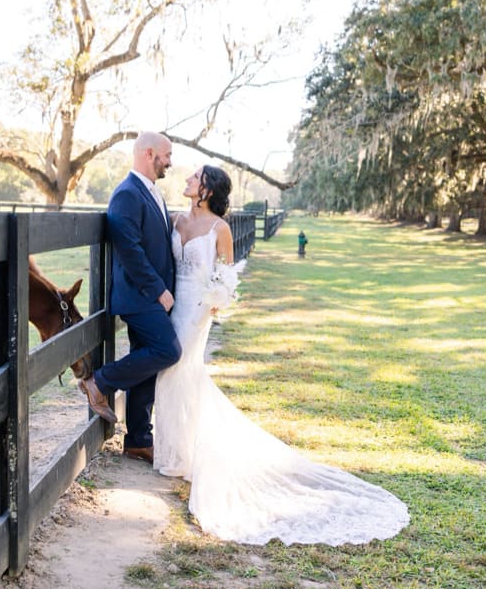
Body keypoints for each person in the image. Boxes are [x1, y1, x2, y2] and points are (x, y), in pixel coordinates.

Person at [153, 165, 409, 544]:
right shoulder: (175, 219)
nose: (188, 179)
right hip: (175, 304)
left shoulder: (220, 229)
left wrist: (215, 303)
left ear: (207, 190)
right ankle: (175, 453)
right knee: (176, 374)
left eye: (195, 177)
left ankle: (184, 453)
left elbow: (224, 275)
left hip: (198, 310)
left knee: (180, 369)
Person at [79, 131, 181, 464]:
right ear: (148, 153)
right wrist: (159, 290)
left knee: (146, 364)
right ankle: (99, 382)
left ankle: (138, 439)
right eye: (166, 155)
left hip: (151, 296)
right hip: (138, 296)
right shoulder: (126, 194)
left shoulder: (153, 193)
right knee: (167, 350)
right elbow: (130, 250)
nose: (169, 161)